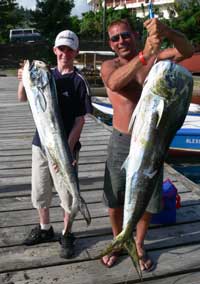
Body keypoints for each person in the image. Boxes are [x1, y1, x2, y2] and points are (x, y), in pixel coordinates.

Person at [100, 18, 193, 270]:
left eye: (125, 35)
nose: (121, 41)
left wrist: (168, 30)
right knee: (115, 197)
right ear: (110, 43)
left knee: (149, 197)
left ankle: (139, 244)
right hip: (122, 140)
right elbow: (114, 83)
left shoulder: (158, 59)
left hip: (153, 141)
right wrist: (144, 55)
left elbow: (188, 51)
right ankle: (119, 239)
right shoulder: (110, 65)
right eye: (115, 38)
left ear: (135, 35)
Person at [17, 30, 92, 259]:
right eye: (61, 49)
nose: (64, 53)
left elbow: (80, 120)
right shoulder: (44, 75)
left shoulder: (79, 82)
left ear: (76, 52)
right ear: (55, 50)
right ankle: (45, 228)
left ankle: (67, 233)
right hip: (40, 144)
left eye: (69, 49)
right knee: (40, 189)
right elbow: (22, 98)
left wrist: (67, 150)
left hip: (66, 148)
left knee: (67, 195)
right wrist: (23, 81)